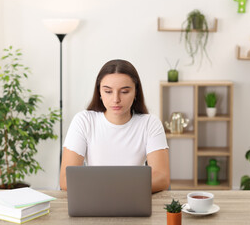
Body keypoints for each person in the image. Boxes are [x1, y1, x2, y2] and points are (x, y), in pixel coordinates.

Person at [59, 59, 170, 193]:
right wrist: (120, 187)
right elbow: (65, 180)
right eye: (108, 91)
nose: (116, 99)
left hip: (131, 199)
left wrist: (114, 188)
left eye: (124, 92)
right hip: (97, 199)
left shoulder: (150, 123)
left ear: (136, 92)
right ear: (99, 92)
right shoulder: (84, 121)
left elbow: (162, 178)